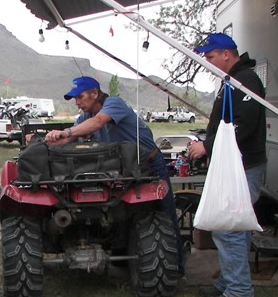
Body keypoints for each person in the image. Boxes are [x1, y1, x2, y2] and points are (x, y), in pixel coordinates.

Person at [45, 76, 184, 274]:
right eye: (74, 98)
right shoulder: (85, 117)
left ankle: (176, 270)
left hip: (150, 165)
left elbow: (98, 123)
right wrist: (48, 139)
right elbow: (72, 137)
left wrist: (66, 132)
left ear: (95, 93)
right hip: (124, 171)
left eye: (80, 96)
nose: (77, 102)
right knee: (126, 214)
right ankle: (125, 259)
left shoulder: (114, 104)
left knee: (164, 216)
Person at [188, 33, 267, 297]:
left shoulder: (246, 80)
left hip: (243, 166)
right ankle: (229, 283)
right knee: (233, 228)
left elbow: (242, 125)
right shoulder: (232, 80)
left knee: (230, 228)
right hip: (235, 166)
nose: (207, 62)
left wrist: (206, 146)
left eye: (210, 57)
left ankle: (240, 292)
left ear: (226, 54)